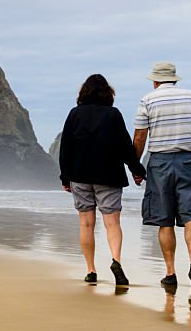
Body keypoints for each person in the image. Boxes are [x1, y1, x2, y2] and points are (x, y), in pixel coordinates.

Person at [132, 62, 191, 289]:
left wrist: (135, 167)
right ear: (175, 79)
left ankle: (170, 272)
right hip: (188, 161)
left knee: (164, 219)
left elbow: (140, 137)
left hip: (159, 163)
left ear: (155, 81)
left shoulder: (148, 100)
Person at [59, 73, 146, 286]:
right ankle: (116, 260)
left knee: (86, 224)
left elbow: (66, 148)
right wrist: (137, 170)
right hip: (109, 176)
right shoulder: (113, 115)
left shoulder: (74, 114)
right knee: (112, 223)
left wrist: (65, 177)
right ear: (108, 93)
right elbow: (126, 147)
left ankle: (91, 270)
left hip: (80, 176)